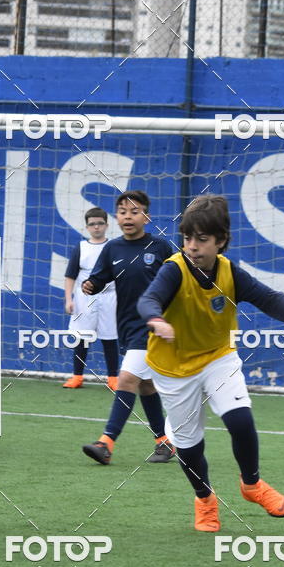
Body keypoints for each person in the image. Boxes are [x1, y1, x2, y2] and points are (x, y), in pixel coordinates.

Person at [137, 194, 284, 532]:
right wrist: (155, 318)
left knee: (241, 420)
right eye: (187, 238)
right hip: (173, 369)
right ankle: (205, 499)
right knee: (189, 445)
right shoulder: (174, 269)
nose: (192, 246)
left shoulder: (231, 273)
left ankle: (252, 484)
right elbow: (149, 298)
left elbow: (270, 299)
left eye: (201, 239)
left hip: (218, 357)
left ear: (221, 241)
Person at [81, 190, 175, 465]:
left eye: (135, 211)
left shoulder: (160, 247)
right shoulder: (112, 248)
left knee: (127, 380)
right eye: (122, 211)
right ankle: (164, 442)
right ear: (117, 217)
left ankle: (106, 443)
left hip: (154, 327)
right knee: (145, 385)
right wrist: (91, 286)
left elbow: (177, 281)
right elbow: (98, 279)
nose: (128, 216)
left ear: (146, 216)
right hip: (127, 326)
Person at [63, 207, 119, 390]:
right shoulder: (80, 247)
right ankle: (77, 377)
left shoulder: (114, 246)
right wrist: (68, 299)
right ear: (87, 227)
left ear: (107, 224)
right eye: (92, 224)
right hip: (84, 298)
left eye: (100, 223)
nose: (96, 227)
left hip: (109, 297)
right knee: (81, 337)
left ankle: (113, 378)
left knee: (109, 338)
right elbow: (70, 275)